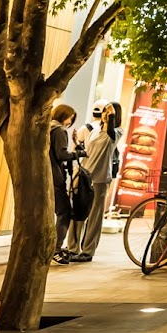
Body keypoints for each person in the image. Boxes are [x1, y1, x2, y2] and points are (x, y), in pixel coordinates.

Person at [65, 104, 117, 261]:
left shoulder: (116, 132)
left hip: (100, 179)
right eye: (104, 111)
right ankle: (73, 248)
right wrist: (77, 143)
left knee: (95, 216)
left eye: (108, 112)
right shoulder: (94, 131)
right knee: (77, 212)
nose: (104, 114)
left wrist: (111, 119)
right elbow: (87, 151)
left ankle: (87, 252)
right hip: (84, 176)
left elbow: (109, 137)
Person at [49, 104, 82, 262]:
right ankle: (55, 249)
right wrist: (78, 153)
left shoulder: (48, 128)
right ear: (64, 116)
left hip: (46, 175)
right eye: (70, 117)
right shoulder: (60, 130)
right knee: (64, 213)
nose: (71, 121)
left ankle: (51, 247)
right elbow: (61, 155)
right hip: (56, 177)